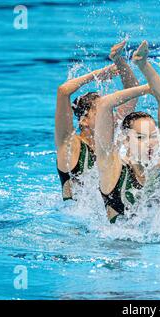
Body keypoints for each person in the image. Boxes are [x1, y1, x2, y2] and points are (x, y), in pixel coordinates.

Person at [93, 40, 160, 223]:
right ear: (126, 140)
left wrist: (144, 64)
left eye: (153, 136)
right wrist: (146, 88)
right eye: (141, 137)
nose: (150, 142)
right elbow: (104, 105)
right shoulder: (111, 168)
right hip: (119, 249)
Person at [55, 40, 140, 200]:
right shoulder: (70, 146)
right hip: (71, 222)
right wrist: (98, 74)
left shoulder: (109, 138)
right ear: (84, 120)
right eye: (102, 110)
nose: (110, 115)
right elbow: (63, 91)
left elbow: (132, 93)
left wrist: (119, 61)